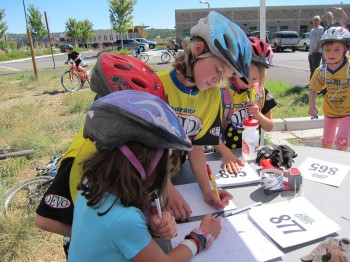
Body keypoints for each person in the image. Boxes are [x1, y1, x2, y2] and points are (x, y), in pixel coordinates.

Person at [35, 10, 251, 254]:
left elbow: (195, 146)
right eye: (218, 70)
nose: (218, 80)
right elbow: (48, 220)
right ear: (198, 50)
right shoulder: (152, 90)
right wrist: (110, 235)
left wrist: (205, 190)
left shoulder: (211, 97)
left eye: (227, 77)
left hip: (142, 192)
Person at [68, 90, 222, 261]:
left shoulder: (94, 182)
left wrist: (152, 227)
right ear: (146, 163)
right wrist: (201, 236)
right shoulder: (125, 220)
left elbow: (113, 236)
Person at [214, 37, 277, 167]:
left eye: (254, 79)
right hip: (225, 154)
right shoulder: (220, 94)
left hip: (252, 154)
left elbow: (269, 127)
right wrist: (225, 153)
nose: (249, 84)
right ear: (234, 70)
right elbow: (210, 132)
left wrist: (258, 114)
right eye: (245, 77)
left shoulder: (261, 93)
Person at [308, 27, 350, 151]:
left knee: (341, 143)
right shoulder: (321, 71)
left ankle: (340, 166)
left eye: (337, 49)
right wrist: (311, 105)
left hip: (348, 112)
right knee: (326, 143)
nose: (332, 53)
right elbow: (312, 89)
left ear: (345, 49)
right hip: (330, 111)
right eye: (327, 50)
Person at [308, 16, 324, 81]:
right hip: (311, 52)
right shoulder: (312, 30)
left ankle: (316, 84)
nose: (315, 22)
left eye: (317, 20)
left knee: (316, 69)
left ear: (319, 21)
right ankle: (311, 83)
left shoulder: (321, 29)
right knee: (312, 69)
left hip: (317, 52)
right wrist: (310, 52)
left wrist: (316, 50)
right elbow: (311, 41)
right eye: (314, 20)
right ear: (313, 21)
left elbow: (321, 41)